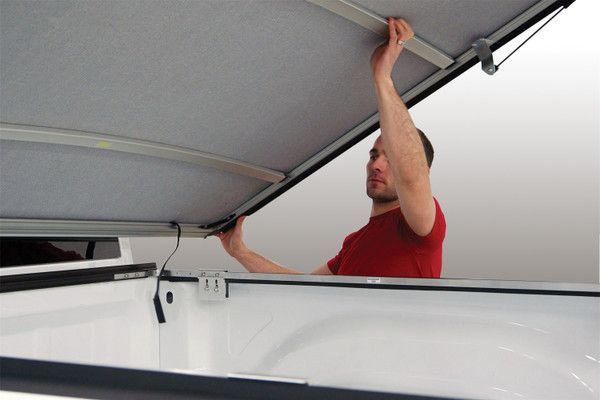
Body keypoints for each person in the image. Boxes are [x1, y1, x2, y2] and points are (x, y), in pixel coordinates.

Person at [216, 18, 446, 278]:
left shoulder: (421, 228)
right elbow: (307, 289)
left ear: (425, 172)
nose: (377, 165)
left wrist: (382, 78)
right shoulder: (354, 243)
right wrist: (240, 251)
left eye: (390, 157)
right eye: (374, 155)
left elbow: (411, 177)